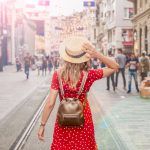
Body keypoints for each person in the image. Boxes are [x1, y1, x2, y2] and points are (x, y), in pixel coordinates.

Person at [37, 36, 119, 150]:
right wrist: (97, 54)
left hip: (63, 120)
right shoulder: (89, 74)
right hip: (83, 120)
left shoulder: (58, 74)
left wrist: (42, 124)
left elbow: (50, 103)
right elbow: (115, 67)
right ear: (84, 58)